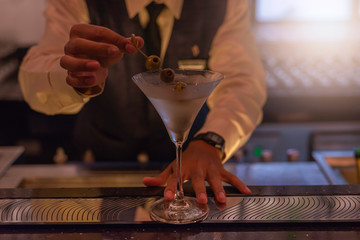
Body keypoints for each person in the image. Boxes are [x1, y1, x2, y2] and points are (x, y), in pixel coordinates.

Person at [19, 0, 266, 204]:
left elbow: (242, 82)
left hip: (191, 179)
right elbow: (36, 79)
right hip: (101, 175)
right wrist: (73, 76)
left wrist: (212, 141)